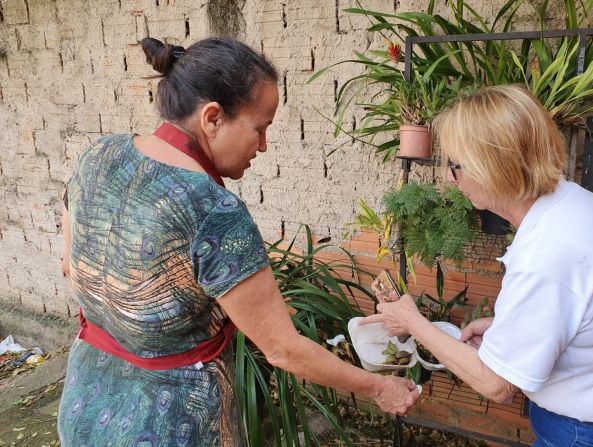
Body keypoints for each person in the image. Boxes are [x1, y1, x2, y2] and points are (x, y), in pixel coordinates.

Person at [58, 37, 420, 446]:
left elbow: (72, 266)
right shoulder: (214, 211)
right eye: (259, 128)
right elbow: (283, 350)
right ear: (212, 117)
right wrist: (378, 387)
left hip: (86, 405)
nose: (263, 146)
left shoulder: (98, 155)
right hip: (171, 424)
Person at [362, 85, 593, 446]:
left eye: (456, 166)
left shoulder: (546, 253)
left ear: (492, 165)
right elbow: (592, 315)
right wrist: (509, 328)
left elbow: (497, 384)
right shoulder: (579, 208)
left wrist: (412, 322)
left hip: (591, 433)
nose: (450, 179)